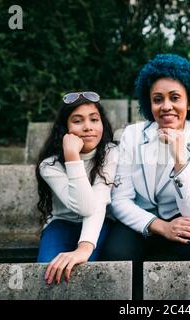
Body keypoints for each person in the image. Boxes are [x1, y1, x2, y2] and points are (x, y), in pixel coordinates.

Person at [101, 54, 190, 296]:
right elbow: (120, 201)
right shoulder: (131, 136)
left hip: (185, 214)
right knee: (116, 255)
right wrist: (161, 227)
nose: (166, 106)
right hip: (141, 217)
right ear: (149, 104)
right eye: (157, 99)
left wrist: (179, 161)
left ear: (189, 102)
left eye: (175, 98)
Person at [36, 91, 119, 285]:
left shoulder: (110, 153)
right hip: (62, 223)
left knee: (83, 273)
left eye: (94, 119)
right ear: (65, 127)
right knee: (48, 274)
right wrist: (72, 156)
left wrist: (84, 248)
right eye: (78, 120)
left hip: (101, 222)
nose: (88, 127)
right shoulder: (50, 165)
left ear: (102, 124)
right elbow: (82, 206)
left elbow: (95, 205)